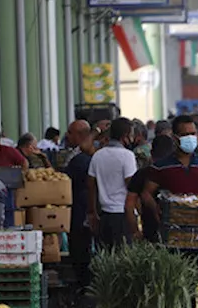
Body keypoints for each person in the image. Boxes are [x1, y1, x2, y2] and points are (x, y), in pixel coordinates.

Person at [88, 118, 138, 249]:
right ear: (125, 136)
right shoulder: (127, 156)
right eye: (131, 134)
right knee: (122, 259)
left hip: (104, 216)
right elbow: (131, 186)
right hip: (122, 215)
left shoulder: (98, 155)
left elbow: (91, 186)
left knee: (106, 259)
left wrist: (92, 212)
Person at [144, 114, 198, 199]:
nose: (190, 138)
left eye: (193, 134)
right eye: (185, 135)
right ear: (174, 137)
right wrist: (156, 210)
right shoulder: (160, 167)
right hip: (172, 211)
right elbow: (147, 193)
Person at [63, 122, 96, 292]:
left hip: (81, 211)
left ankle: (84, 287)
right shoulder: (81, 156)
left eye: (70, 132)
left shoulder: (80, 160)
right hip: (86, 211)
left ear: (80, 135)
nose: (67, 135)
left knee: (80, 251)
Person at [127, 134, 175, 243]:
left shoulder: (142, 174)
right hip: (176, 232)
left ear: (152, 153)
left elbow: (129, 205)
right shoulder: (177, 174)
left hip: (150, 231)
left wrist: (135, 231)